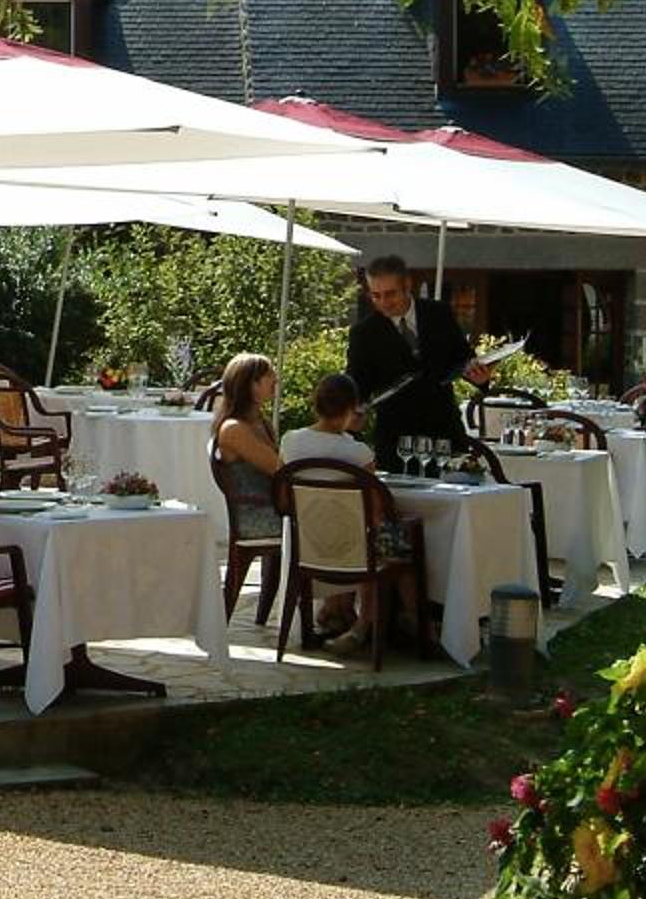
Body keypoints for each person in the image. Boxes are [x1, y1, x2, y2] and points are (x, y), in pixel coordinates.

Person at [281, 371, 421, 650]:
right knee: (396, 536)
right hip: (354, 550)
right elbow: (376, 511)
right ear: (352, 408)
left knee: (375, 532)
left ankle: (343, 617)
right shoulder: (358, 453)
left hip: (309, 544)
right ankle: (405, 622)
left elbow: (283, 497)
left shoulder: (291, 442)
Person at [344, 253, 492, 455]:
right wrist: (352, 410)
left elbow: (463, 359)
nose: (384, 302)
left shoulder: (439, 314)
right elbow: (357, 382)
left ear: (407, 285)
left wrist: (480, 378)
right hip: (395, 439)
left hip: (444, 432)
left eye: (390, 294)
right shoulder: (364, 333)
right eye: (376, 295)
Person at [207, 351, 285, 571]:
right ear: (251, 384)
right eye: (269, 375)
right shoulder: (234, 429)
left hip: (276, 506)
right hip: (260, 514)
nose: (276, 380)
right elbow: (279, 469)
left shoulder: (262, 423)